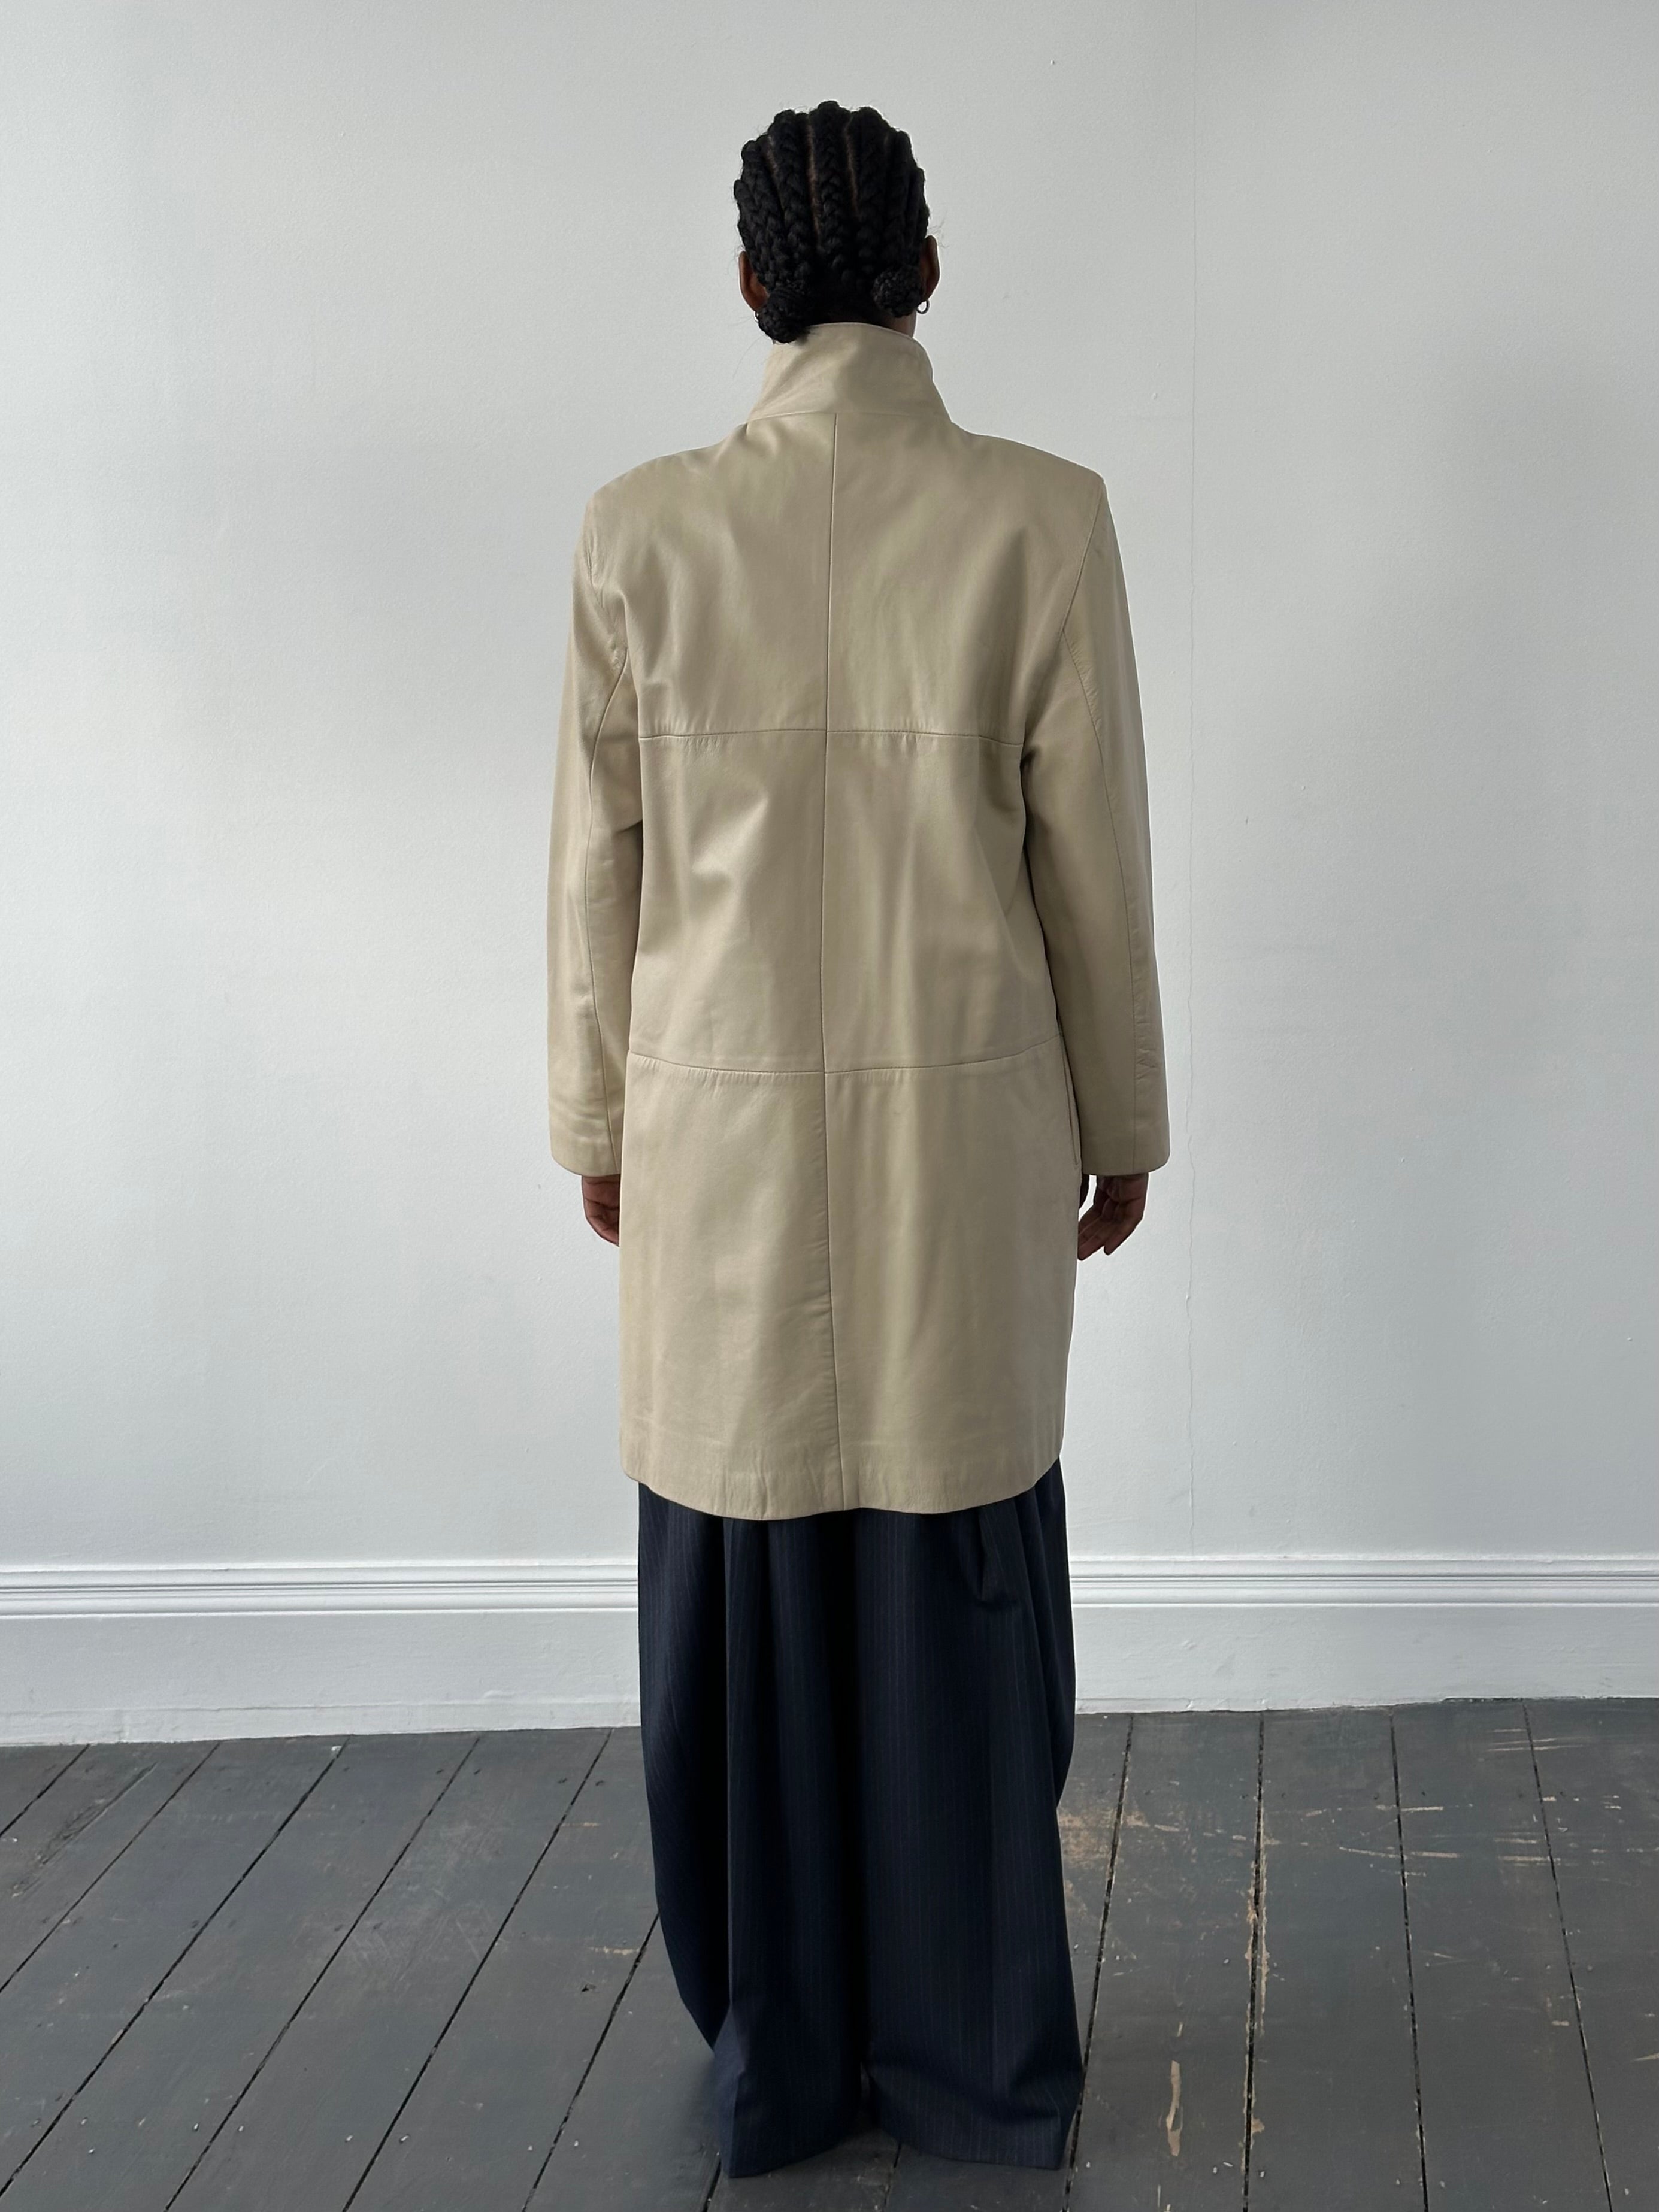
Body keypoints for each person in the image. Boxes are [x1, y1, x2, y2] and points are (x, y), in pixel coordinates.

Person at [545, 99, 1168, 2178]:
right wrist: (1124, 1121)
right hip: (962, 1138)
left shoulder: (639, 532)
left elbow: (597, 872)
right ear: (925, 273)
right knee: (953, 1571)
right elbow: (1091, 869)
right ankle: (978, 2059)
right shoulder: (1041, 517)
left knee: (744, 1588)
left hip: (716, 1145)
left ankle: (782, 2059)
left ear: (749, 285)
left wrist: (595, 1119)